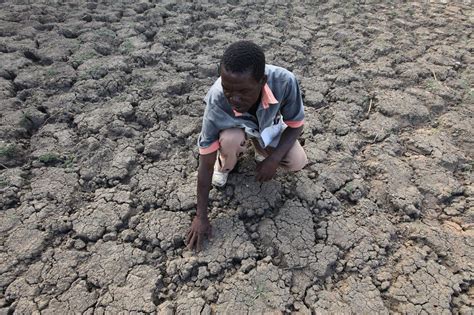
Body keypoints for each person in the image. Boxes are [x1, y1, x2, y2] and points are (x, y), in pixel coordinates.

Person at [186, 40, 308, 251]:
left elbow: (296, 125)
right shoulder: (217, 100)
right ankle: (225, 164)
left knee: (297, 161)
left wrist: (273, 159)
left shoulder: (285, 82)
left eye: (243, 92)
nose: (234, 98)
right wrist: (201, 216)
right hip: (235, 130)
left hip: (266, 128)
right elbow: (204, 163)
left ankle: (261, 150)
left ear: (262, 81)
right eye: (228, 90)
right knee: (230, 139)